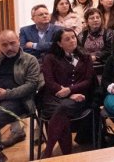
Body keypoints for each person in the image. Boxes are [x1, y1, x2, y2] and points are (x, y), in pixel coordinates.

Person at [0, 30, 42, 160]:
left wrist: (6, 94)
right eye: (4, 45)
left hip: (17, 100)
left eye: (12, 43)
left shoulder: (29, 60)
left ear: (18, 41)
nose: (9, 48)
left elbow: (31, 85)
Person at [40, 28, 94, 157]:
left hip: (79, 97)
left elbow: (88, 80)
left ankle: (48, 151)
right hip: (54, 97)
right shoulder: (50, 58)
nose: (72, 41)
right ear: (59, 43)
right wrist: (68, 93)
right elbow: (49, 82)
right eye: (67, 39)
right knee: (61, 111)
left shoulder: (85, 56)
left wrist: (71, 90)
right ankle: (67, 155)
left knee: (63, 108)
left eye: (73, 37)